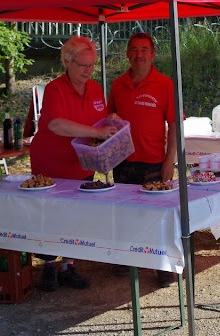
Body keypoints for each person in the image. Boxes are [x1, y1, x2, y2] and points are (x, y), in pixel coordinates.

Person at [28, 36, 118, 292]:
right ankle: (48, 267)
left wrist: (109, 122)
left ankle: (68, 266)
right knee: (50, 216)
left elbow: (97, 121)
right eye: (82, 65)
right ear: (67, 62)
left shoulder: (95, 88)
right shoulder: (55, 89)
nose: (88, 71)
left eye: (91, 66)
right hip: (51, 164)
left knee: (78, 216)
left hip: (81, 164)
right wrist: (96, 132)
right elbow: (56, 124)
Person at [107, 32, 178, 287]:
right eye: (134, 50)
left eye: (144, 50)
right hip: (123, 162)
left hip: (153, 162)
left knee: (156, 215)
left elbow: (174, 125)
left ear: (153, 55)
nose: (139, 54)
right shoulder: (117, 85)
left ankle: (162, 265)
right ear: (127, 54)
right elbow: (109, 121)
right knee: (126, 212)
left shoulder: (165, 84)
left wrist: (170, 161)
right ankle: (128, 257)